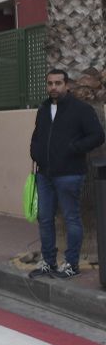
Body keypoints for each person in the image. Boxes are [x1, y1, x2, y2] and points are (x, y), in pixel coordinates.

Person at [28, 69, 105, 279]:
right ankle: (49, 263)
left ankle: (71, 264)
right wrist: (34, 152)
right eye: (50, 83)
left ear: (67, 85)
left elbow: (97, 136)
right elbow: (37, 135)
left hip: (70, 174)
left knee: (71, 218)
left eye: (58, 83)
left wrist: (74, 148)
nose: (53, 87)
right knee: (45, 219)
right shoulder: (43, 109)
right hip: (45, 175)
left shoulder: (81, 109)